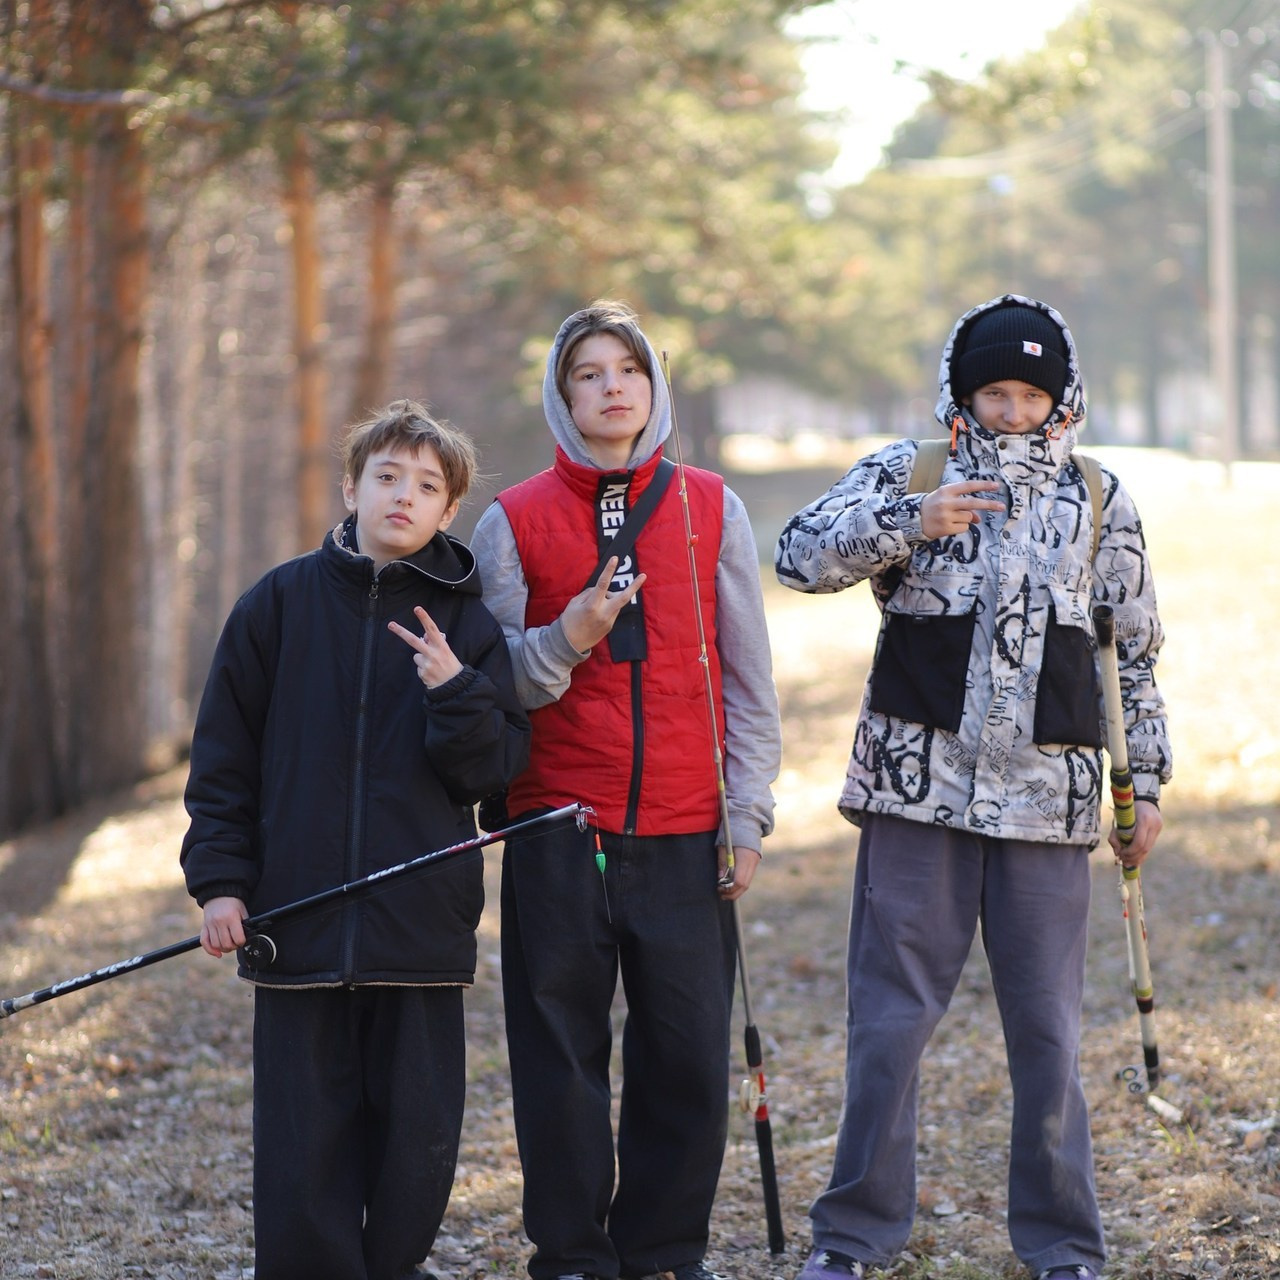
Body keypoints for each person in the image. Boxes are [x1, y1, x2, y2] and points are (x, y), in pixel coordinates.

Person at [774, 295, 1172, 1280]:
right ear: (962, 393)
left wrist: (1147, 783)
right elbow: (796, 556)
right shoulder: (908, 470)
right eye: (993, 393)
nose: (1011, 411)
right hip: (916, 798)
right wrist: (910, 520)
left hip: (1049, 805)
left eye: (1030, 395)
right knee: (887, 1025)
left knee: (1048, 1035)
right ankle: (852, 1236)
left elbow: (1129, 656)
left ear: (1060, 399)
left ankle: (1063, 1243)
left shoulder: (1099, 496)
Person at [180, 400, 532, 1280]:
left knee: (416, 1140)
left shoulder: (467, 625)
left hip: (419, 933)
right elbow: (223, 760)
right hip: (294, 924)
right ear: (351, 489)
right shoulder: (278, 604)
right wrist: (221, 883)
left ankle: (391, 1267)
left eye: (427, 485)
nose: (404, 496)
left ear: (450, 509)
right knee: (303, 1140)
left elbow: (491, 777)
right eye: (387, 477)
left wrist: (455, 692)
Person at [470, 300, 782, 1280]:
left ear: (653, 384)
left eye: (628, 369)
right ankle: (570, 1253)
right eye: (588, 374)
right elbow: (496, 687)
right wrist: (569, 636)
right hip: (558, 827)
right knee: (558, 1053)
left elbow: (748, 676)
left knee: (684, 1054)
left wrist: (746, 813)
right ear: (561, 397)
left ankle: (662, 1251)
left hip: (688, 827)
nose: (612, 388)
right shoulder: (511, 519)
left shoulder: (709, 505)